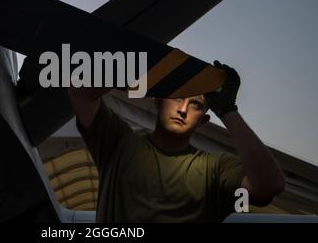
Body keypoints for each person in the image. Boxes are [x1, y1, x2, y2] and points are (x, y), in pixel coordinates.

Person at [68, 61, 285, 222]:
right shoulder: (119, 144)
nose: (182, 110)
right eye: (178, 97)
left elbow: (268, 186)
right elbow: (80, 91)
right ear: (157, 100)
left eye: (195, 105)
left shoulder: (215, 170)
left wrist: (227, 110)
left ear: (203, 120)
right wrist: (142, 77)